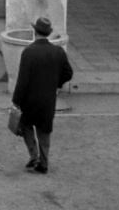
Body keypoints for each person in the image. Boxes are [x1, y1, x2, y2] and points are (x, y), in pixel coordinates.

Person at [11, 17, 73, 174]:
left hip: (30, 98)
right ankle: (44, 163)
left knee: (25, 124)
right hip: (48, 99)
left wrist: (16, 101)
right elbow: (68, 73)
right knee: (44, 129)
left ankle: (33, 154)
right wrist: (55, 83)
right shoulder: (58, 52)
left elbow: (22, 80)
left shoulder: (29, 52)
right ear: (48, 34)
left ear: (35, 32)